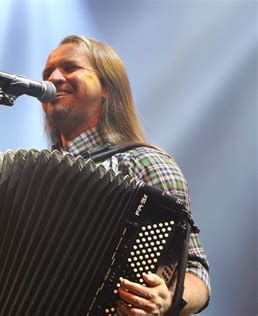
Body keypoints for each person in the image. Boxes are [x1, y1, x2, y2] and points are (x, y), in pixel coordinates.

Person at [41, 35, 210, 315]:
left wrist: (167, 300)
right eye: (48, 73)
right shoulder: (35, 177)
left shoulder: (145, 164)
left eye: (70, 68)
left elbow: (194, 268)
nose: (55, 77)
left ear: (107, 86)